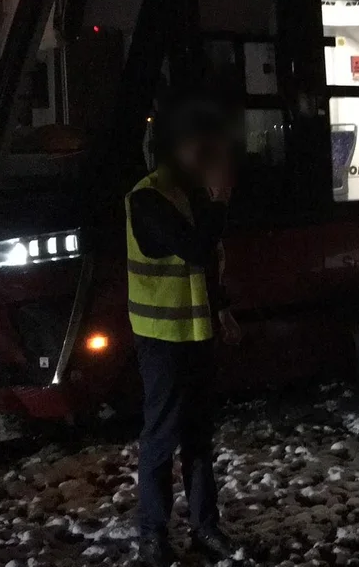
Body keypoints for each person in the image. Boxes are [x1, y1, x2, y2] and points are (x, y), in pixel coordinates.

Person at [126, 101, 243, 566]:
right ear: (174, 148)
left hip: (196, 334)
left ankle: (204, 528)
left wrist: (224, 311)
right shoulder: (147, 197)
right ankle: (152, 534)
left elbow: (209, 263)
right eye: (201, 146)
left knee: (199, 436)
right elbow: (195, 249)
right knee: (161, 438)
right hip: (160, 339)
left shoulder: (192, 194)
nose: (210, 154)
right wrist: (219, 202)